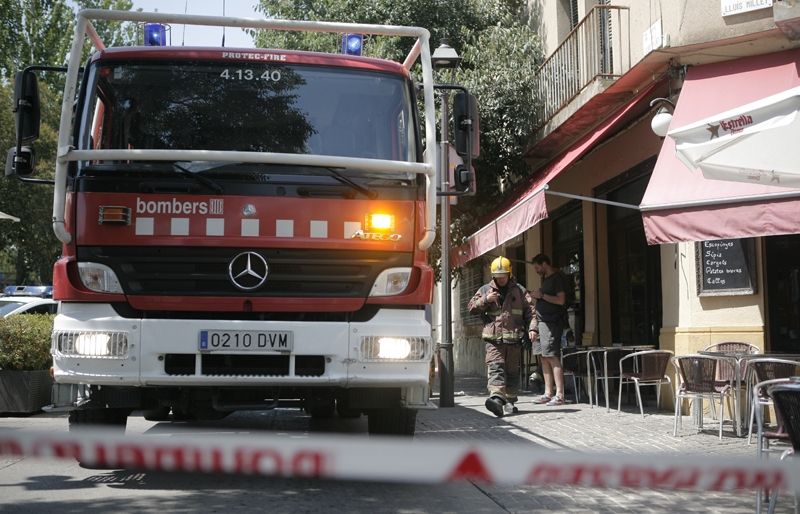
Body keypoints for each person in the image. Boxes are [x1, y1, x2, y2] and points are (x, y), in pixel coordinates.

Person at [467, 256, 537, 417]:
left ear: (509, 274)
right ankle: (496, 400)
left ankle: (510, 401)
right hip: (494, 340)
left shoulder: (519, 291)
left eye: (503, 276)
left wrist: (533, 330)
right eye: (497, 277)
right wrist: (485, 300)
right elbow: (471, 308)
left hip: (513, 340)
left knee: (512, 372)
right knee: (496, 368)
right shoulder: (485, 290)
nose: (500, 279)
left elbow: (531, 312)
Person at [530, 253, 568, 406]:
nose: (536, 270)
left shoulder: (557, 279)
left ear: (545, 263)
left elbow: (561, 300)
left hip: (551, 323)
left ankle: (559, 394)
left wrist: (542, 295)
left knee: (552, 356)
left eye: (537, 267)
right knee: (543, 357)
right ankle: (547, 393)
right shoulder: (546, 280)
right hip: (541, 322)